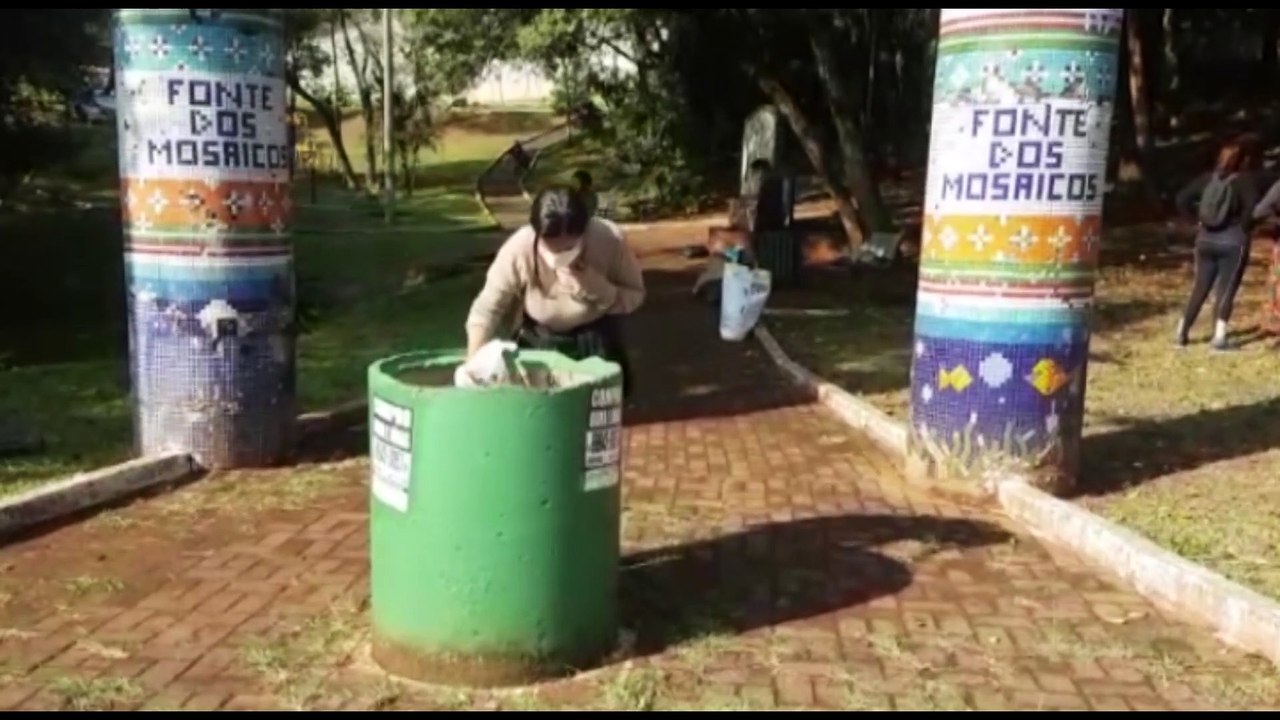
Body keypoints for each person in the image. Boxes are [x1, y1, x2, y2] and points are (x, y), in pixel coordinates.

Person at [465, 185, 644, 393]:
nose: (560, 254)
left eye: (569, 247)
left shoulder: (609, 239)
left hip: (595, 337)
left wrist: (597, 289)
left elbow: (635, 295)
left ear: (584, 232)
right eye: (552, 247)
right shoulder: (519, 249)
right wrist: (472, 364)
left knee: (595, 411)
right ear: (537, 234)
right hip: (539, 338)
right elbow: (487, 310)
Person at [1173, 136, 1264, 351]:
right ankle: (1219, 337)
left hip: (1204, 239)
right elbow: (1253, 211)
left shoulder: (1207, 179)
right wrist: (1243, 226)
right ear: (1243, 160)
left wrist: (1197, 219)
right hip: (1233, 241)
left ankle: (1181, 331)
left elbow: (1181, 198)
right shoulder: (1245, 182)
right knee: (1227, 287)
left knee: (1200, 286)